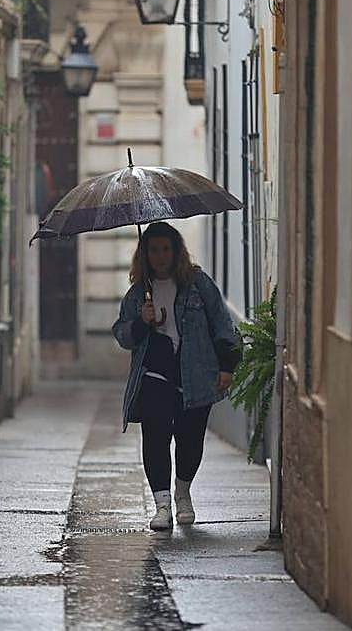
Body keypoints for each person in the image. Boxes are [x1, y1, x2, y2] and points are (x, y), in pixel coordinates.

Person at [112, 221, 241, 531]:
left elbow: (223, 324)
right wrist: (143, 322)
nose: (160, 256)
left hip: (195, 374)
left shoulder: (198, 284)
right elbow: (122, 335)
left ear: (176, 251)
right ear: (145, 253)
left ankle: (183, 494)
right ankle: (162, 504)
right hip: (154, 374)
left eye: (165, 249)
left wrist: (227, 366)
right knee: (155, 439)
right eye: (153, 250)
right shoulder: (138, 294)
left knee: (190, 438)